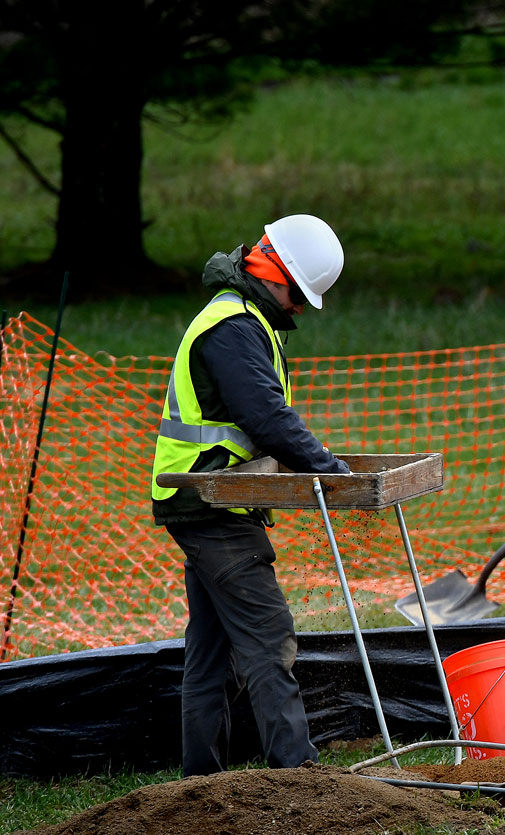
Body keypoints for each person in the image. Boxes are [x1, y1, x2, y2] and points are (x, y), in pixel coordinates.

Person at [150, 214, 350, 777]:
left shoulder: (243, 319)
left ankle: (201, 785)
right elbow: (266, 418)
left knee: (211, 653)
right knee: (268, 636)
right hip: (210, 502)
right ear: (277, 273)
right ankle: (298, 774)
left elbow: (264, 420)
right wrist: (330, 471)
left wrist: (319, 464)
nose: (300, 310)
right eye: (300, 296)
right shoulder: (233, 327)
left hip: (212, 498)